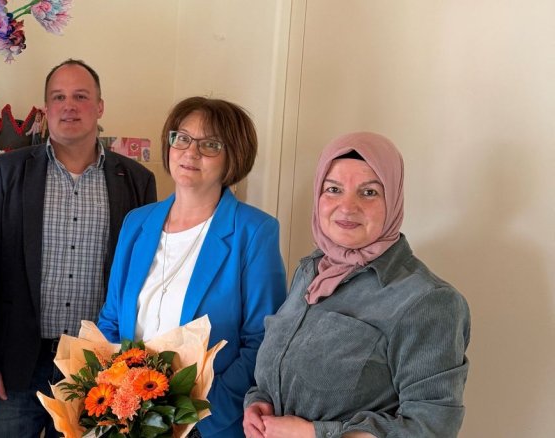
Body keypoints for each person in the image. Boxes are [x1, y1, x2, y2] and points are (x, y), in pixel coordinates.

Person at [0, 58, 157, 437]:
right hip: (14, 365)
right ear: (47, 109)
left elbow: (144, 280)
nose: (69, 106)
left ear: (99, 107)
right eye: (59, 97)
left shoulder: (136, 181)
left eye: (81, 96)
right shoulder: (7, 173)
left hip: (98, 369)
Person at [243, 132, 471, 438]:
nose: (347, 207)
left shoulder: (427, 301)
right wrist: (259, 403)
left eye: (369, 193)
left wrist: (315, 434)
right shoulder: (311, 271)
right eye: (333, 189)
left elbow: (431, 427)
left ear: (393, 200)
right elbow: (282, 369)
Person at [97, 96, 288, 436]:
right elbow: (112, 320)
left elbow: (263, 341)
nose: (190, 152)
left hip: (209, 423)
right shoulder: (137, 222)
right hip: (131, 420)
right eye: (182, 138)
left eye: (210, 144)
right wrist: (115, 402)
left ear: (234, 158)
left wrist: (197, 413)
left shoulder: (254, 231)